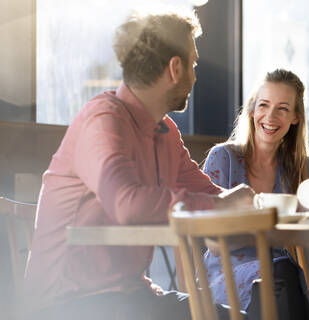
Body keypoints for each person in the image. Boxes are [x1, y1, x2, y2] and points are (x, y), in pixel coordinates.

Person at [25, 9, 253, 320]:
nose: (195, 75)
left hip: (129, 295)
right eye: (194, 63)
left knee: (235, 317)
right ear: (175, 68)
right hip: (68, 304)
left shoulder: (165, 131)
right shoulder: (104, 120)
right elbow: (127, 204)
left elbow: (207, 193)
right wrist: (221, 207)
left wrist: (246, 203)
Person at [203, 69, 309, 318]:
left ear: (295, 117)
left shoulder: (300, 165)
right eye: (264, 105)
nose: (270, 116)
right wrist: (273, 232)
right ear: (252, 110)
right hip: (228, 272)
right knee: (284, 278)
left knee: (290, 277)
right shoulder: (224, 158)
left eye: (282, 108)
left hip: (282, 274)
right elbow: (213, 243)